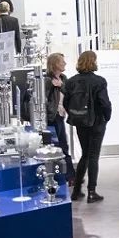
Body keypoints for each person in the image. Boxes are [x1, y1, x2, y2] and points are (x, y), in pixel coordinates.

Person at [64, 50, 111, 203]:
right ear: (93, 62)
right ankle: (92, 191)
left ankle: (76, 191)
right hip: (96, 122)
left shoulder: (71, 82)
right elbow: (104, 103)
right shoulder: (99, 81)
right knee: (93, 156)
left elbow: (66, 102)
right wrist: (106, 117)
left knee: (85, 154)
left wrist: (76, 115)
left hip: (80, 122)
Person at [45, 53, 75, 186]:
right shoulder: (47, 80)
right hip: (53, 117)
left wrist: (60, 85)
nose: (65, 63)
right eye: (62, 61)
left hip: (61, 116)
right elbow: (44, 99)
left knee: (63, 145)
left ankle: (69, 175)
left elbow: (68, 94)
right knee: (59, 146)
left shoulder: (64, 78)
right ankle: (66, 176)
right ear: (55, 64)